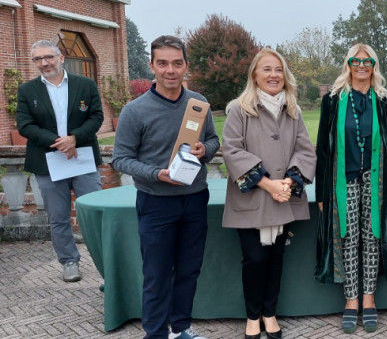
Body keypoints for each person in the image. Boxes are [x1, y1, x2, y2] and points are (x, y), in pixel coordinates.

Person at [112, 35, 220, 339]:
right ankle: (156, 333)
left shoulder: (198, 103)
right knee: (157, 274)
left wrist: (205, 149)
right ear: (152, 66)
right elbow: (120, 159)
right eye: (162, 63)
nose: (170, 70)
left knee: (189, 269)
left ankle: (180, 328)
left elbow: (213, 140)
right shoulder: (135, 111)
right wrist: (156, 174)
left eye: (176, 63)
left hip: (194, 199)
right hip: (156, 202)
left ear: (186, 66)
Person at [221, 47, 316, 339]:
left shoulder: (293, 110)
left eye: (278, 70)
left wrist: (288, 182)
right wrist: (268, 184)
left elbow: (305, 149)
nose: (273, 75)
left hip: (283, 197)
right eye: (267, 69)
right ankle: (253, 316)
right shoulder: (239, 109)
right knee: (255, 260)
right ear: (255, 75)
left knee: (276, 259)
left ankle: (270, 314)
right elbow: (231, 150)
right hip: (252, 198)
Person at [314, 43, 387, 334]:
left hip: (377, 182)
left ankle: (369, 299)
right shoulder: (333, 100)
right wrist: (321, 192)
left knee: (372, 238)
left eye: (367, 62)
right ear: (348, 64)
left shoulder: (384, 101)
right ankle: (351, 300)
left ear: (374, 66)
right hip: (344, 180)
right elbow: (322, 149)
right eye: (356, 61)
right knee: (348, 237)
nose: (361, 66)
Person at [15, 40, 104, 282]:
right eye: (38, 59)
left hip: (82, 158)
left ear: (61, 58)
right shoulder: (27, 90)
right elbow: (25, 125)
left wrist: (75, 138)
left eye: (48, 57)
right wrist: (58, 142)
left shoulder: (85, 84)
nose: (44, 63)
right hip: (48, 162)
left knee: (94, 211)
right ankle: (69, 261)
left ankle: (105, 258)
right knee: (58, 216)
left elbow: (96, 117)